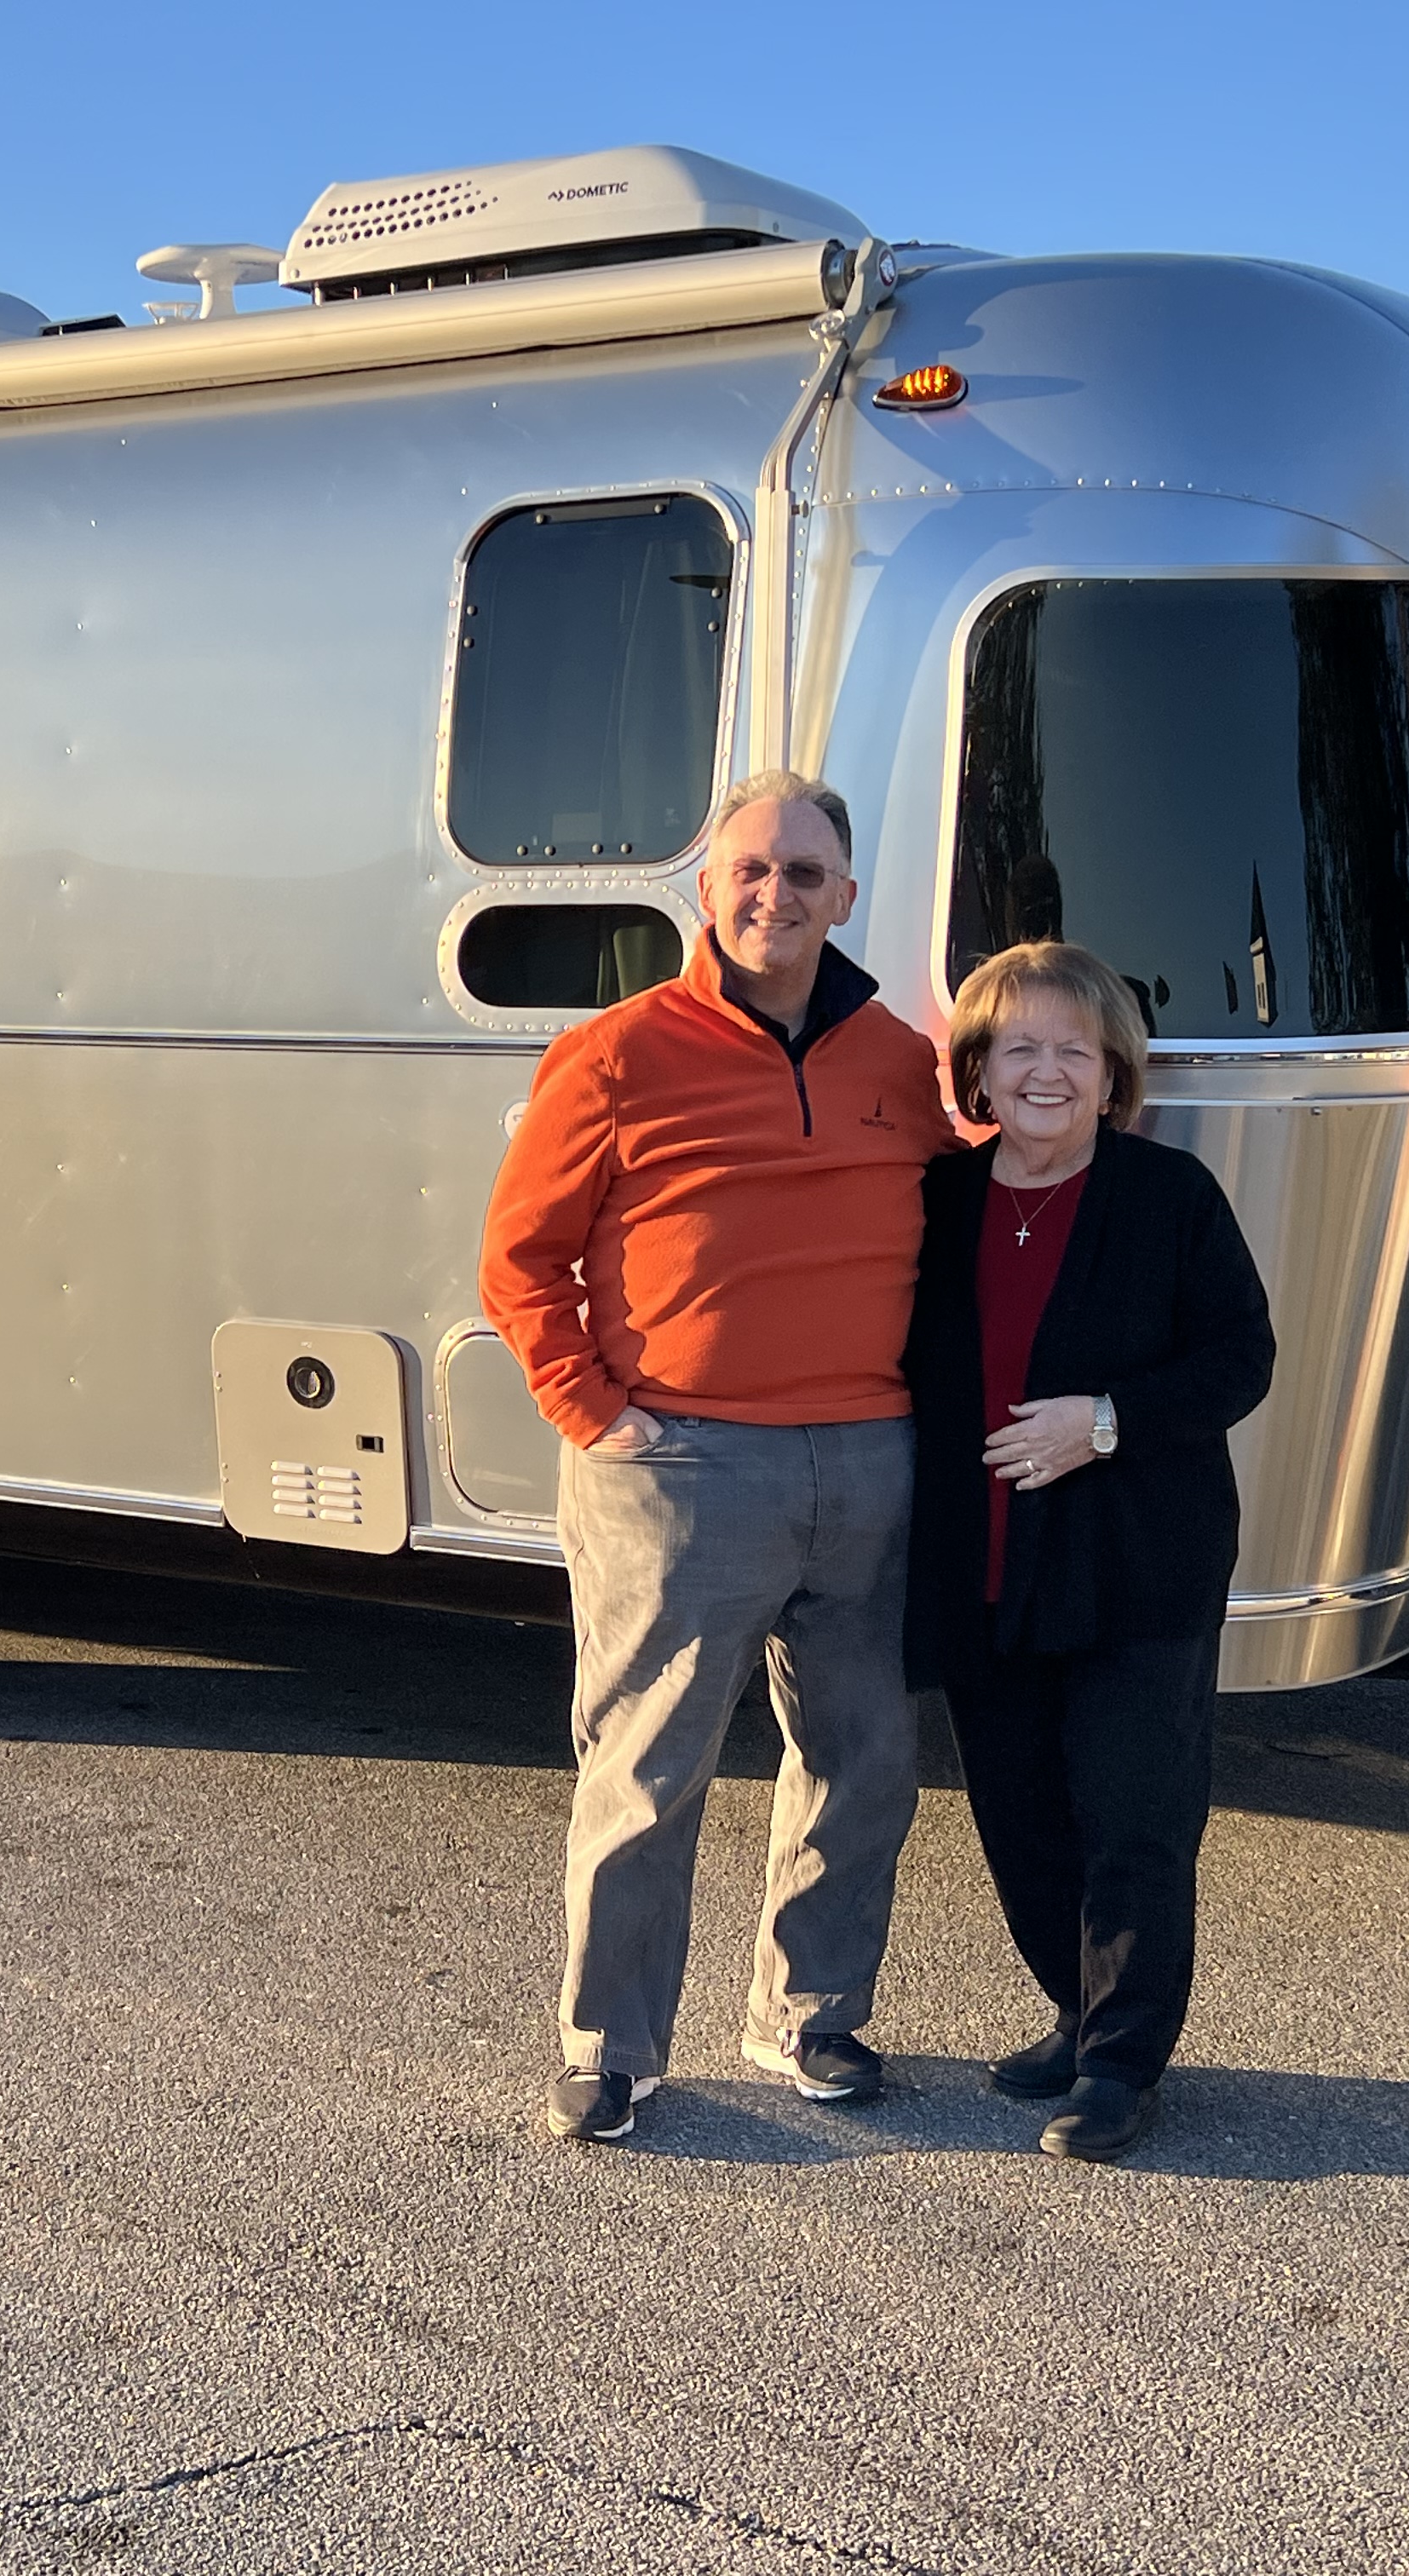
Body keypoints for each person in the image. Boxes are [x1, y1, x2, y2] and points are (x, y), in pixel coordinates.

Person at [480, 770, 955, 2145]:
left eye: (804, 873)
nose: (775, 894)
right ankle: (609, 2048)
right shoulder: (618, 1055)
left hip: (869, 1463)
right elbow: (520, 1260)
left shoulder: (897, 1062)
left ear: (846, 897)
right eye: (751, 869)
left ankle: (810, 2019)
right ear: (708, 889)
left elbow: (971, 1190)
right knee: (648, 1767)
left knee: (864, 1760)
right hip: (682, 1465)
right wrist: (593, 1412)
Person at [903, 941, 1274, 2164]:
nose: (1047, 1071)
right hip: (985, 1562)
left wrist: (1104, 1422)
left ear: (1114, 1074)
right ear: (979, 1071)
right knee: (1019, 1813)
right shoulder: (940, 1199)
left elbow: (1241, 1358)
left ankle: (1121, 2064)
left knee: (1134, 1816)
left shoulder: (1170, 1197)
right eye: (1019, 1047)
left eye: (1075, 1049)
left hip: (1136, 1565)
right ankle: (1075, 2012)